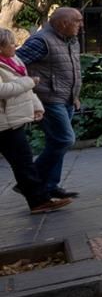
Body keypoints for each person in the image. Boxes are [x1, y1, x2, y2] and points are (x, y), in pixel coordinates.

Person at [20, 6, 83, 200]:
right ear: (64, 23)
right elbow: (16, 64)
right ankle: (28, 183)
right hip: (48, 98)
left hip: (67, 98)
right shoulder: (41, 41)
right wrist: (30, 87)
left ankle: (49, 185)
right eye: (77, 21)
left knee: (56, 142)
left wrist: (75, 96)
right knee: (64, 139)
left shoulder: (71, 40)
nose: (81, 25)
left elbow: (73, 69)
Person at [0, 30, 66, 213]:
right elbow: (3, 89)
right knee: (23, 162)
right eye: (11, 43)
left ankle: (39, 200)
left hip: (12, 120)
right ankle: (39, 200)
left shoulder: (13, 61)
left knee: (23, 161)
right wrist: (29, 82)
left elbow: (24, 87)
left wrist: (37, 106)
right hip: (4, 123)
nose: (15, 46)